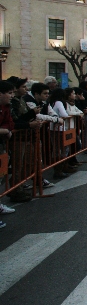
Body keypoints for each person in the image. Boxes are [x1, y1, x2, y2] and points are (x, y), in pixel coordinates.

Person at [0, 80, 16, 226]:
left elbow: (10, 123)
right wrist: (4, 131)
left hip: (1, 144)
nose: (12, 96)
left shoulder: (6, 107)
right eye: (9, 93)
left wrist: (6, 128)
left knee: (1, 174)